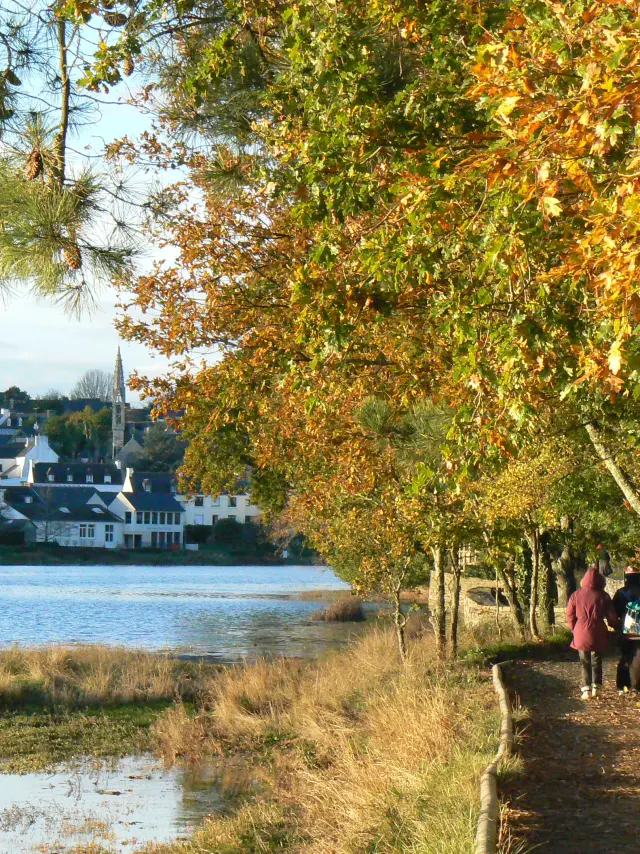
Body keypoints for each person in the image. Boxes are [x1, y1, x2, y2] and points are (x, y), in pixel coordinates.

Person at [566, 565, 619, 699]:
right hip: (598, 630)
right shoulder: (604, 595)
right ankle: (597, 687)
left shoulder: (575, 595)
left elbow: (570, 615)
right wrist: (616, 626)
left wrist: (574, 628)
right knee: (597, 659)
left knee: (584, 661)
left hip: (581, 630)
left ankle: (586, 689)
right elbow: (611, 616)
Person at [612, 565, 640, 694]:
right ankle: (637, 685)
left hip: (626, 630)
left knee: (625, 656)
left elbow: (614, 612)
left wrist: (617, 625)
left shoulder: (621, 593)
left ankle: (622, 685)